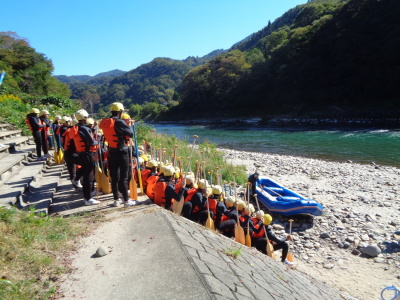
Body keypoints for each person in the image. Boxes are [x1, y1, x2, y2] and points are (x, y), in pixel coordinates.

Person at [99, 102, 137, 207]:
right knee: (123, 178)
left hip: (111, 151)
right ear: (120, 112)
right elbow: (130, 134)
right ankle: (126, 201)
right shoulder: (119, 122)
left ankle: (116, 200)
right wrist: (129, 125)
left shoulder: (106, 122)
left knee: (114, 177)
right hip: (122, 152)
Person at [69, 109, 100, 206]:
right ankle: (88, 198)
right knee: (89, 177)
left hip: (81, 154)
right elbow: (91, 142)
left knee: (87, 176)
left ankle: (87, 197)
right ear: (84, 118)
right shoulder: (84, 129)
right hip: (87, 154)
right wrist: (98, 140)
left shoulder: (77, 127)